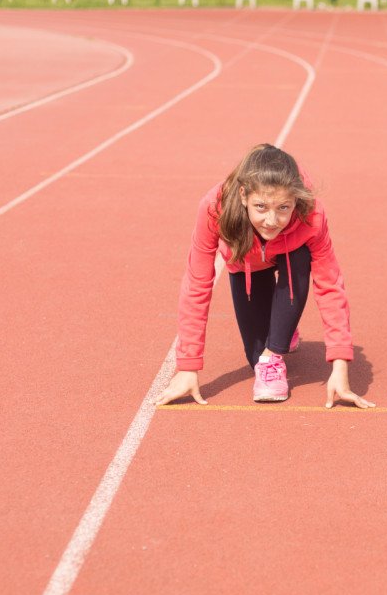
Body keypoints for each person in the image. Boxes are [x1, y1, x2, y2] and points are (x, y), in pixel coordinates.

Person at [156, 144, 374, 409]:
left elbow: (330, 284)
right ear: (244, 195)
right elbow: (197, 284)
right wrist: (188, 367)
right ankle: (279, 333)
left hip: (291, 253)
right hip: (246, 262)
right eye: (261, 207)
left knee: (298, 263)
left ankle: (276, 350)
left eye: (284, 207)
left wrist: (340, 366)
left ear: (296, 199)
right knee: (254, 357)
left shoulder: (312, 215)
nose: (271, 220)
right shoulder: (214, 209)